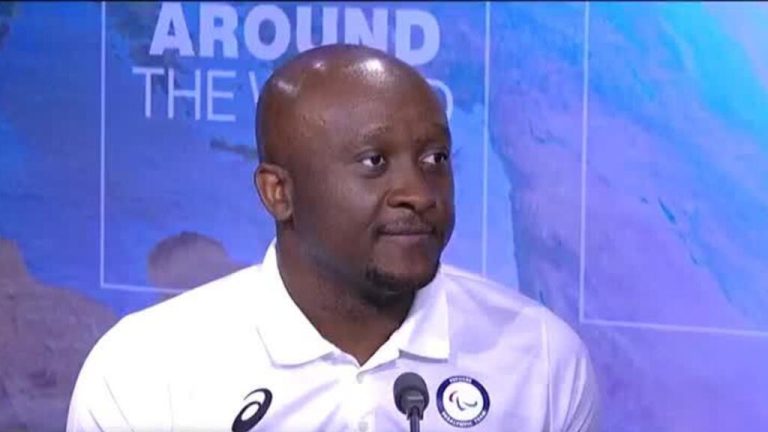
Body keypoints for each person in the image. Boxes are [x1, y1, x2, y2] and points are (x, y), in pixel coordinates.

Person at [67, 44, 598, 431]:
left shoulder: (541, 360)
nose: (419, 193)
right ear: (279, 192)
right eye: (374, 162)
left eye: (435, 158)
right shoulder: (144, 370)